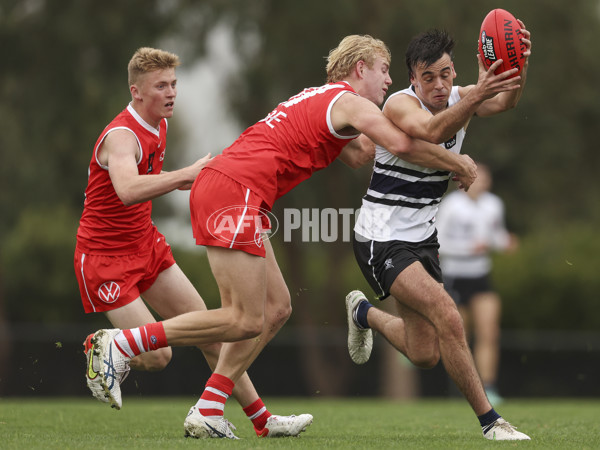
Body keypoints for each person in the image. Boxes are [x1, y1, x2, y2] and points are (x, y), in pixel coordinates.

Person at [84, 35, 480, 439]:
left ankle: (212, 408)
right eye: (384, 69)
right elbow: (400, 143)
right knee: (243, 319)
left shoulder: (324, 97)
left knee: (276, 309)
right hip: (233, 189)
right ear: (361, 68)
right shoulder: (349, 100)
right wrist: (457, 162)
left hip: (235, 190)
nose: (389, 80)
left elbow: (361, 153)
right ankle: (124, 344)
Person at [75, 47, 313, 439]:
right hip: (104, 260)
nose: (170, 93)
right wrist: (185, 175)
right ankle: (104, 346)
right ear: (136, 92)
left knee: (213, 331)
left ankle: (262, 421)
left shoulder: (161, 124)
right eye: (160, 86)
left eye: (173, 84)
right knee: (157, 357)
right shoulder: (121, 136)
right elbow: (128, 190)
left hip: (147, 246)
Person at [346, 26, 532, 441]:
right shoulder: (398, 104)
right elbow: (430, 132)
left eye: (446, 74)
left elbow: (504, 100)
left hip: (422, 239)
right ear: (413, 77)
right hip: (380, 235)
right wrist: (473, 102)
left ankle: (363, 314)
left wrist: (518, 64)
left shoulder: (459, 94)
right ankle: (491, 422)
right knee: (449, 315)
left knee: (425, 353)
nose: (439, 84)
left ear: (453, 70)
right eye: (428, 77)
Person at [436, 162, 518, 405]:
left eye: (485, 178)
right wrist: (468, 250)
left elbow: (495, 237)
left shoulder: (494, 205)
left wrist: (506, 243)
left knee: (490, 332)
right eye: (477, 178)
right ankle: (465, 388)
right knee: (460, 336)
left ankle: (489, 387)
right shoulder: (451, 206)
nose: (481, 182)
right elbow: (436, 242)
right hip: (455, 277)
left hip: (482, 276)